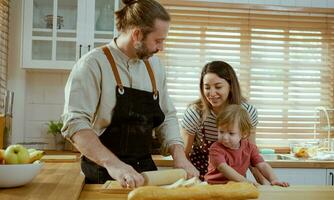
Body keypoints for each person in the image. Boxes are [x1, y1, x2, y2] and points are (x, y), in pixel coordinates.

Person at [61, 0, 198, 188]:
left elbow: (167, 117)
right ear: (137, 34)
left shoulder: (155, 67)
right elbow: (75, 124)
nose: (161, 48)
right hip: (103, 175)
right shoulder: (93, 64)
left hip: (146, 173)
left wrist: (179, 156)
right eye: (157, 41)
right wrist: (115, 165)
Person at [181, 60, 267, 183]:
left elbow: (251, 155)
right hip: (201, 178)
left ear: (231, 86)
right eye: (207, 87)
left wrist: (264, 183)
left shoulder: (247, 112)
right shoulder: (195, 113)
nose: (211, 93)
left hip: (237, 180)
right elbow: (184, 156)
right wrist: (195, 182)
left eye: (218, 87)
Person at [205, 104, 289, 187]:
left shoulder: (250, 148)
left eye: (231, 133)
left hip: (237, 186)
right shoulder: (216, 148)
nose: (225, 137)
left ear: (243, 133)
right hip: (214, 186)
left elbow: (262, 165)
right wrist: (246, 182)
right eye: (221, 131)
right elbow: (223, 168)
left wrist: (274, 179)